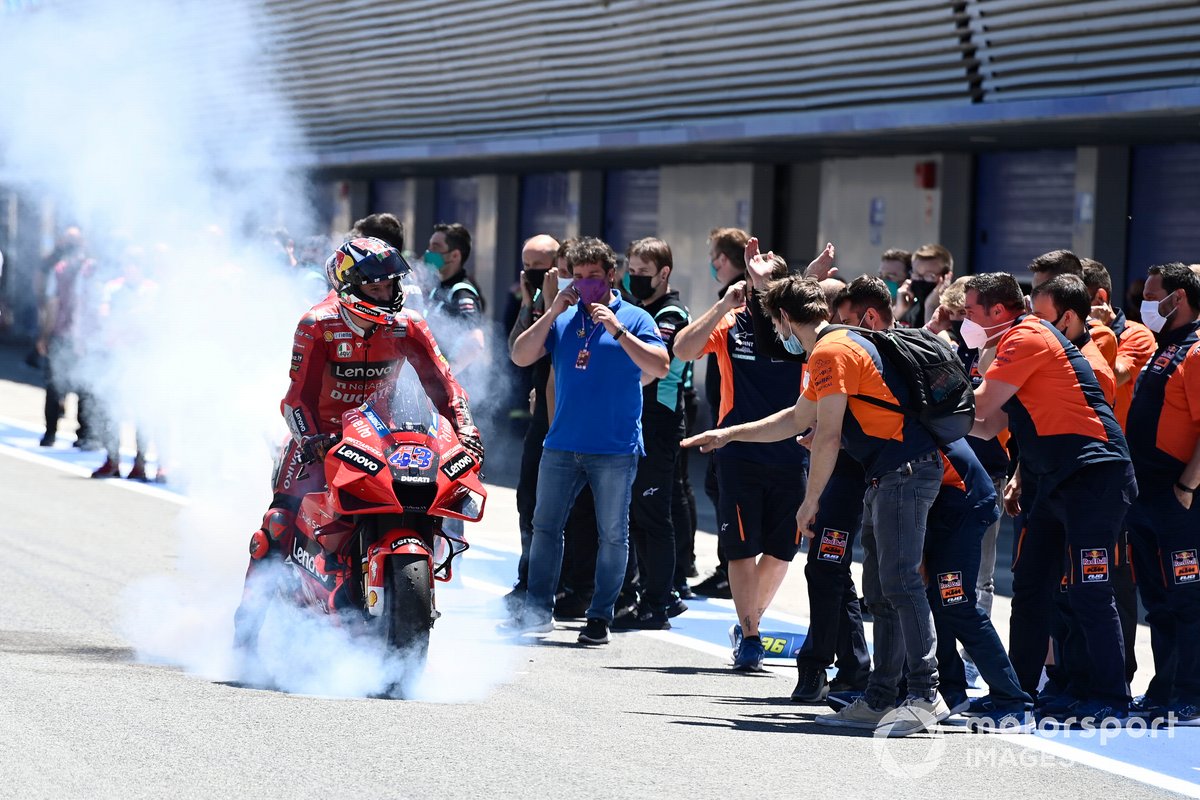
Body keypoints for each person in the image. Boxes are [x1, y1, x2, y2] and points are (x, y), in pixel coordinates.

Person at [685, 274, 948, 735]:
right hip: (890, 473)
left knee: (900, 583)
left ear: (785, 318)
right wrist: (728, 433)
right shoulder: (834, 347)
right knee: (885, 589)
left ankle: (925, 694)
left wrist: (810, 503)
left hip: (904, 471)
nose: (778, 332)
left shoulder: (830, 353)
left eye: (777, 322)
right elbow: (795, 419)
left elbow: (825, 435)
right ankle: (882, 695)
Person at [233, 237, 482, 651]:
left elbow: (446, 387)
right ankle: (245, 636)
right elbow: (297, 399)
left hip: (384, 435)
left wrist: (468, 434)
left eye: (390, 285)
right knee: (277, 526)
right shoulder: (318, 324)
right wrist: (311, 438)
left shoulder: (408, 323)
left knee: (420, 498)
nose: (386, 294)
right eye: (376, 287)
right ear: (349, 284)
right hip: (320, 438)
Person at [965, 271, 1135, 723]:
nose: (964, 318)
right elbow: (985, 425)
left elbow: (979, 407)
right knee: (1031, 584)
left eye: (970, 310)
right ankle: (1016, 692)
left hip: (1094, 476)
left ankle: (1111, 698)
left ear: (996, 312)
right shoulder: (1017, 342)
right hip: (1053, 478)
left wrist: (927, 399)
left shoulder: (1027, 338)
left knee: (1090, 590)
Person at [507, 237, 668, 645]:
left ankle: (600, 617)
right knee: (544, 527)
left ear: (610, 275)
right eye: (577, 277)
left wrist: (618, 332)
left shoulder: (634, 317)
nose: (584, 284)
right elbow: (521, 356)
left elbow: (660, 366)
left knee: (612, 534)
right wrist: (551, 311)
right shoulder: (563, 317)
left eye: (593, 277)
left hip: (615, 447)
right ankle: (539, 608)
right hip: (562, 443)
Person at [674, 239, 807, 672]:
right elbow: (682, 350)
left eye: (770, 283)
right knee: (741, 550)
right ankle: (750, 636)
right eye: (755, 282)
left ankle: (751, 622)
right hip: (737, 454)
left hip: (792, 453)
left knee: (783, 550)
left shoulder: (799, 332)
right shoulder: (731, 323)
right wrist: (721, 306)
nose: (760, 290)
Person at [1124, 262, 1200, 725]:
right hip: (1145, 494)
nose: (1144, 303)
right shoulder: (1164, 347)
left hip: (1179, 496)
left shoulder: (1195, 350)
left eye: (1153, 295)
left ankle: (1191, 694)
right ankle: (1165, 688)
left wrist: (1188, 485)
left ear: (1179, 298)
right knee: (1158, 599)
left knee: (1188, 597)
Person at [614, 237, 692, 629]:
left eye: (643, 273)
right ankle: (652, 592)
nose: (636, 279)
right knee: (633, 513)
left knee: (653, 513)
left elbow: (650, 369)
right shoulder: (635, 310)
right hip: (635, 419)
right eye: (632, 271)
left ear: (664, 273)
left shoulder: (671, 313)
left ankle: (660, 601)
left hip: (660, 421)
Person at [690, 227, 750, 600]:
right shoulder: (728, 298)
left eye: (715, 257)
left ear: (724, 260)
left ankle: (734, 572)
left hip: (735, 415)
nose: (712, 264)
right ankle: (729, 568)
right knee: (718, 488)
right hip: (723, 411)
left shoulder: (742, 300)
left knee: (726, 492)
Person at [505, 234, 560, 611]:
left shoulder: (570, 300)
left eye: (539, 268)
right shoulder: (535, 301)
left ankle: (567, 584)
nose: (531, 274)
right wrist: (529, 302)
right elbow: (517, 349)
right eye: (527, 266)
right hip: (540, 412)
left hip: (570, 416)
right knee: (529, 498)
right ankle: (528, 578)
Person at [36, 226, 97, 449]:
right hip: (76, 336)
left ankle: (52, 433)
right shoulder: (89, 269)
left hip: (68, 335)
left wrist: (44, 335)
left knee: (59, 385)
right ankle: (81, 435)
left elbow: (52, 304)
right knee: (78, 385)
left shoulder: (60, 269)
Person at [423, 223, 486, 376]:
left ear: (455, 255)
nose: (429, 252)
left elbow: (475, 341)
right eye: (430, 246)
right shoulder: (438, 288)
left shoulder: (462, 292)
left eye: (436, 247)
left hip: (451, 389)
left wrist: (447, 375)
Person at [894, 244, 952, 328]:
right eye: (917, 274)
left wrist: (930, 307)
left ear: (946, 277)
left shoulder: (954, 313)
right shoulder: (909, 307)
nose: (920, 280)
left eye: (929, 275)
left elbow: (934, 340)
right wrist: (898, 310)